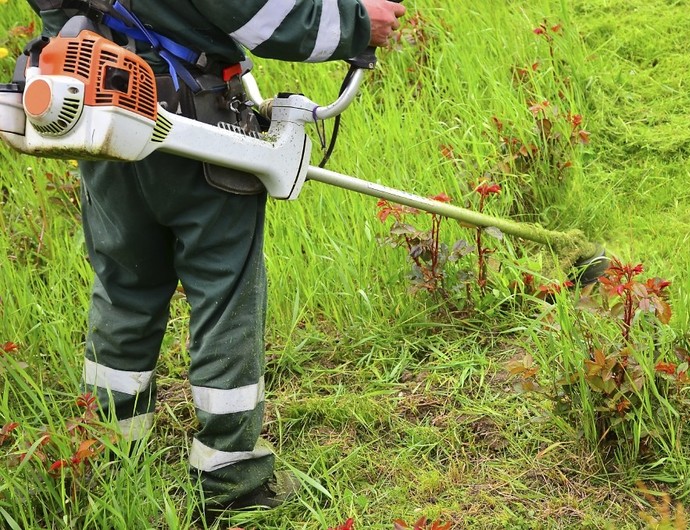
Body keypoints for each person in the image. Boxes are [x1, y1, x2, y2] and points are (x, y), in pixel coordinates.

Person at [24, 0, 406, 520]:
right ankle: (230, 480)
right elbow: (267, 16)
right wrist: (359, 21)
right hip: (192, 126)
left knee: (124, 289)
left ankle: (110, 452)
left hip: (98, 118)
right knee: (226, 298)